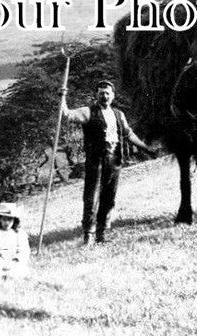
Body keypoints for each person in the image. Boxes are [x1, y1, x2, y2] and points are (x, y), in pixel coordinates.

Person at [62, 81, 151, 245]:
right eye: (101, 92)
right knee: (91, 197)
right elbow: (67, 115)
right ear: (96, 95)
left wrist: (146, 148)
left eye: (107, 93)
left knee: (109, 197)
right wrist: (63, 98)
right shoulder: (88, 112)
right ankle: (89, 234)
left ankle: (101, 234)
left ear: (113, 96)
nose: (104, 96)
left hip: (114, 159)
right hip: (96, 160)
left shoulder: (118, 114)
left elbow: (128, 134)